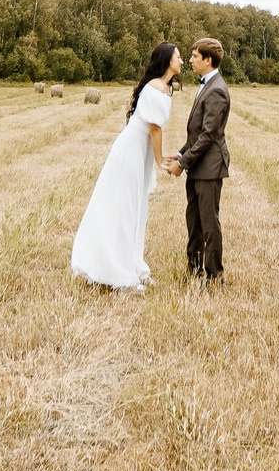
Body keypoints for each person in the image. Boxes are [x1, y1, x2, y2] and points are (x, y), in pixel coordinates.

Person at [69, 41, 181, 290]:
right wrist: (160, 159)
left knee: (137, 206)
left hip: (138, 150)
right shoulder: (155, 88)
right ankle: (119, 272)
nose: (182, 60)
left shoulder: (161, 86)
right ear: (167, 60)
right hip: (132, 150)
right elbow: (154, 128)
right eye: (178, 56)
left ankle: (134, 265)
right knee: (126, 205)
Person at [165, 36, 230, 281]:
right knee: (194, 221)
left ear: (208, 60)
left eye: (194, 56)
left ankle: (215, 275)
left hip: (210, 168)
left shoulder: (217, 90)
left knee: (209, 223)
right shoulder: (206, 85)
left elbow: (208, 135)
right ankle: (194, 269)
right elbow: (196, 133)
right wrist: (181, 153)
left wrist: (182, 164)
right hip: (198, 166)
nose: (190, 60)